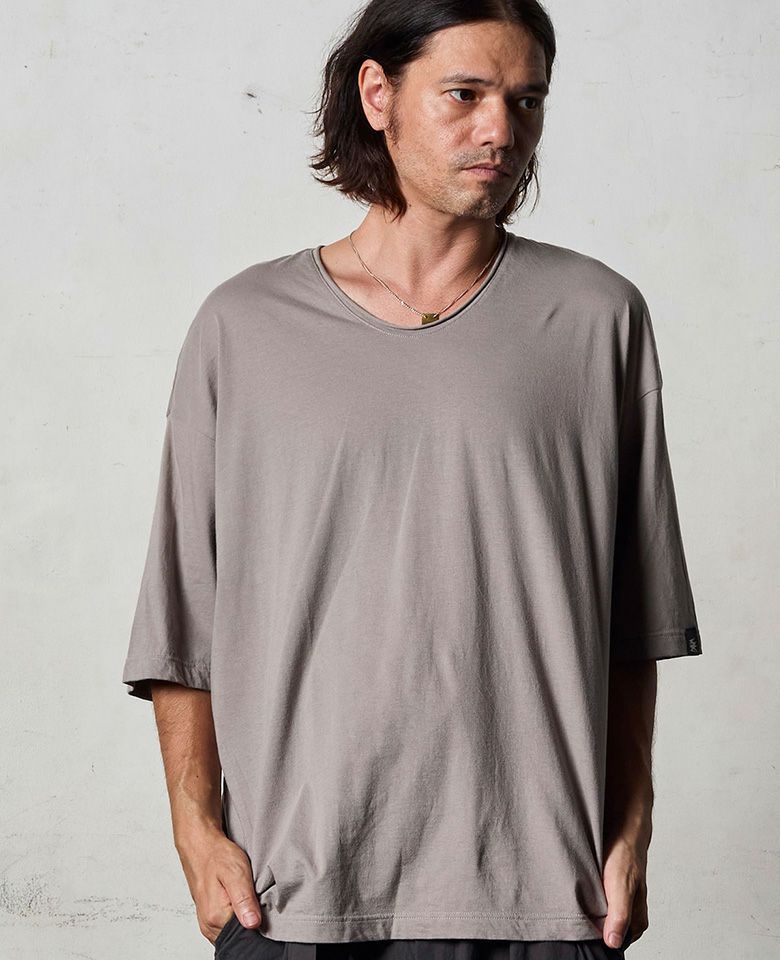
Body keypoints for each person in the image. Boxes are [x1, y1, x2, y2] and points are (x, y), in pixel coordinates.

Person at [122, 2, 704, 959]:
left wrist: (632, 828)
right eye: (465, 94)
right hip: (294, 899)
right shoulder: (243, 326)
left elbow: (635, 618)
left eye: (527, 101)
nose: (501, 130)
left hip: (545, 902)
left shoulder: (597, 317)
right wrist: (195, 830)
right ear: (378, 93)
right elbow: (185, 616)